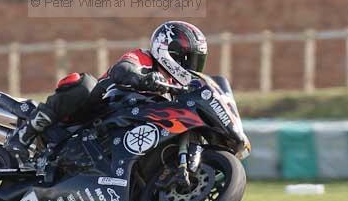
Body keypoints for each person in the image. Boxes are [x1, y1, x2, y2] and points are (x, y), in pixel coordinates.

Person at [13, 21, 208, 150]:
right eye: (188, 59)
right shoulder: (144, 57)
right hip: (93, 113)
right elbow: (123, 69)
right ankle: (23, 136)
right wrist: (146, 79)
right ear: (169, 51)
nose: (191, 67)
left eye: (196, 62)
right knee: (85, 84)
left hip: (117, 137)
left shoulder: (176, 88)